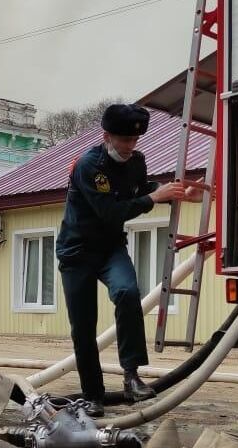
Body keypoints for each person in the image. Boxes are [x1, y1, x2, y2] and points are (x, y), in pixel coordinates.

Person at [57, 103, 198, 417]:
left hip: (110, 249)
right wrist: (152, 199)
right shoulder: (88, 166)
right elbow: (111, 212)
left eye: (134, 141)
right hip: (77, 252)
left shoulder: (137, 161)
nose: (130, 146)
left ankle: (131, 377)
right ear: (107, 136)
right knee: (83, 327)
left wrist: (174, 191)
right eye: (123, 141)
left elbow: (139, 188)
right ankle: (93, 395)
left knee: (128, 292)